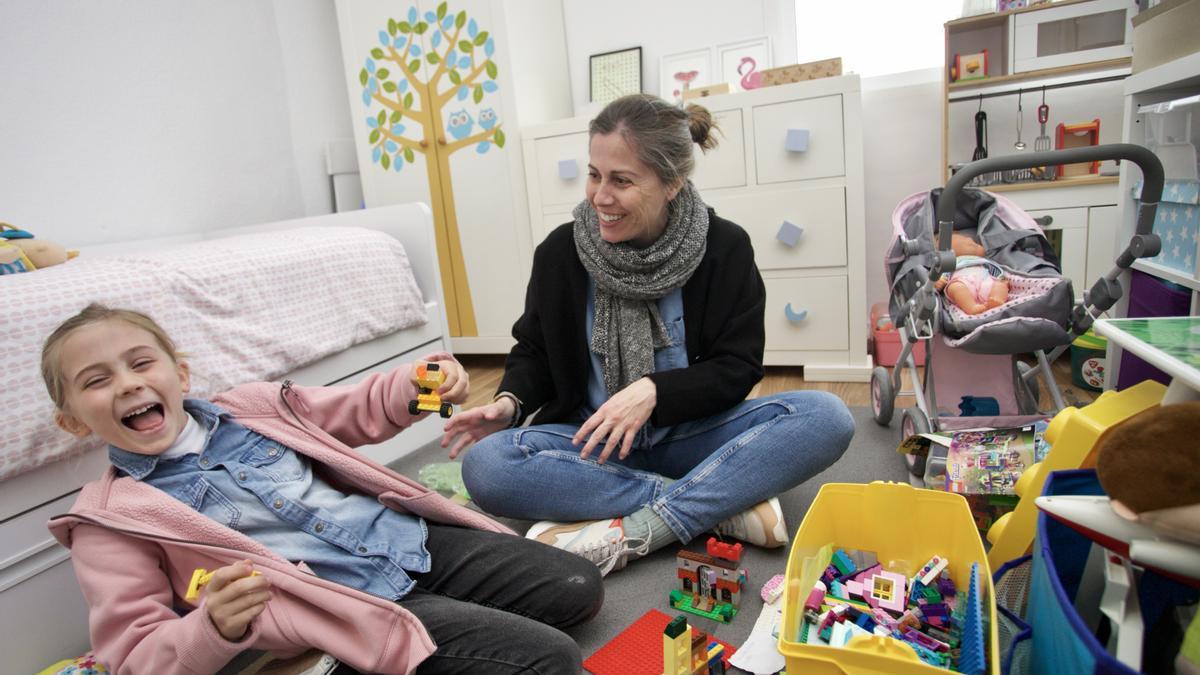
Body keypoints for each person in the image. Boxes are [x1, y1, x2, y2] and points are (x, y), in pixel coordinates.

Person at [42, 304, 602, 675]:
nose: (129, 383)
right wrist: (211, 627)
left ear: (180, 376)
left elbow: (359, 410)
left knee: (578, 586)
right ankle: (364, 654)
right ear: (73, 423)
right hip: (341, 606)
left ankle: (433, 627)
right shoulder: (110, 521)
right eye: (97, 380)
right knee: (549, 661)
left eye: (141, 363)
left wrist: (427, 385)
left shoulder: (252, 408)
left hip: (405, 540)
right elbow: (134, 655)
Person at [442, 94, 856, 576]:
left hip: (695, 433)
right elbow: (534, 349)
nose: (599, 196)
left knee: (827, 416)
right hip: (592, 439)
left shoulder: (725, 248)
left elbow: (737, 366)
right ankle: (719, 501)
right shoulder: (559, 252)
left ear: (672, 182)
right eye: (595, 174)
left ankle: (651, 520)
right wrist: (510, 402)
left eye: (621, 180)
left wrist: (653, 392)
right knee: (486, 467)